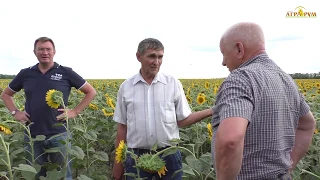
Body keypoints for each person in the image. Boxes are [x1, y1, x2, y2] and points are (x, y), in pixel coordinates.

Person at [211, 22, 316, 180]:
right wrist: (288, 167)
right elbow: (308, 124)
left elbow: (230, 140)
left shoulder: (240, 79)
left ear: (239, 49)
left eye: (224, 54)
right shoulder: (286, 79)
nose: (223, 62)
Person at [112, 38, 213, 180]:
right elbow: (122, 127)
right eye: (152, 56)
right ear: (138, 57)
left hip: (169, 154)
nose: (157, 62)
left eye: (160, 57)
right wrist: (118, 163)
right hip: (136, 156)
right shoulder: (126, 87)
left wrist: (211, 111)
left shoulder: (172, 84)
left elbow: (183, 120)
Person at [0, 37, 96, 180]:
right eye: (41, 49)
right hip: (32, 134)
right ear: (35, 52)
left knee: (63, 174)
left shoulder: (65, 72)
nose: (45, 52)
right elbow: (6, 95)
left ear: (54, 52)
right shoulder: (26, 73)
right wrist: (15, 112)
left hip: (59, 133)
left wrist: (75, 111)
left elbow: (91, 92)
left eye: (48, 49)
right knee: (36, 174)